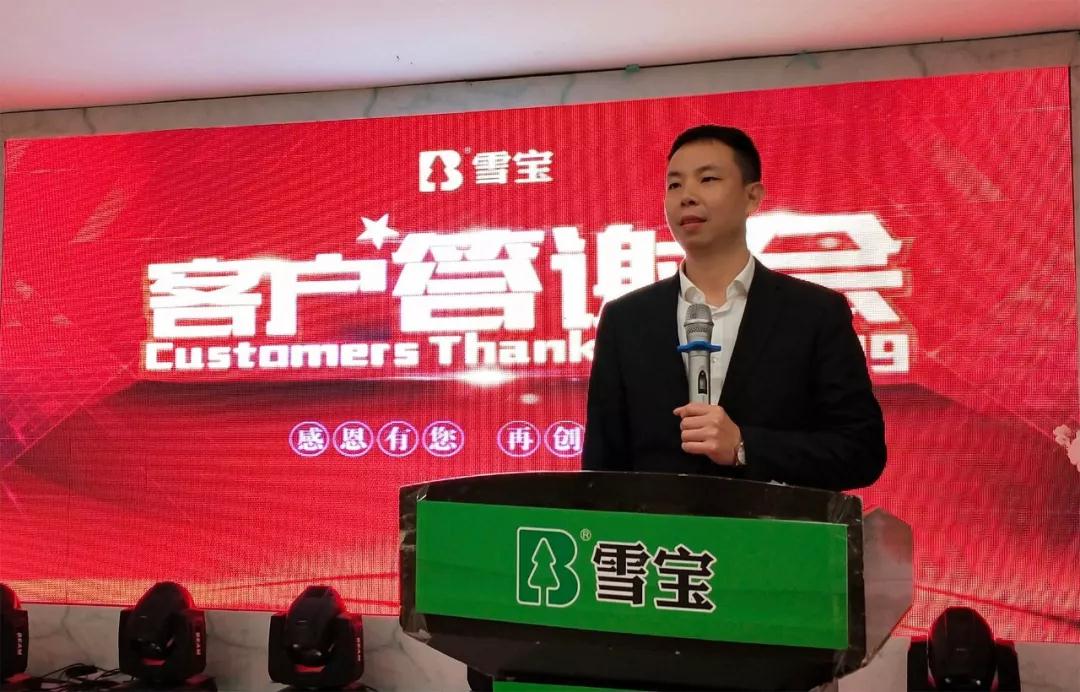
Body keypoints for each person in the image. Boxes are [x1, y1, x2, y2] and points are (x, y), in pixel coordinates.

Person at [582, 125, 885, 491]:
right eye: (674, 184)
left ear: (752, 197)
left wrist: (744, 446)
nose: (687, 196)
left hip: (773, 526)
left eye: (707, 179)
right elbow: (600, 471)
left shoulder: (814, 313)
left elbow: (861, 451)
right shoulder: (626, 320)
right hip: (658, 528)